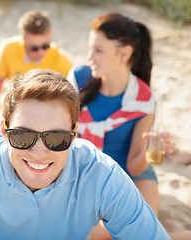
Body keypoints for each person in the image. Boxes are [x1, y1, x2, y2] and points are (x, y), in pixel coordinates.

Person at [0, 69, 169, 239]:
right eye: (22, 136)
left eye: (56, 138)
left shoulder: (102, 174)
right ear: (4, 131)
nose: (38, 152)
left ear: (74, 135)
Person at [67, 13, 190, 240]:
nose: (89, 57)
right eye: (90, 48)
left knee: (134, 235)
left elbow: (135, 166)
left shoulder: (144, 99)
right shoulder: (79, 79)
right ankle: (167, 231)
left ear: (124, 53)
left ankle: (172, 232)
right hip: (86, 175)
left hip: (131, 178)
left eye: (98, 50)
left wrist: (153, 149)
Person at [0, 10, 72, 126]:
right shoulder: (8, 49)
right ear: (24, 39)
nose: (40, 52)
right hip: (16, 110)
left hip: (46, 115)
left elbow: (71, 97)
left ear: (50, 34)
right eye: (34, 48)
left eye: (45, 46)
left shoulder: (61, 59)